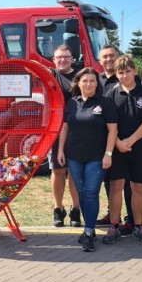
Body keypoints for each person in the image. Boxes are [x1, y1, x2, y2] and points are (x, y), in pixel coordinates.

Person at [57, 67, 117, 252]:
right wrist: (60, 150)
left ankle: (89, 231)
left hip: (96, 157)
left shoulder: (105, 103)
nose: (88, 84)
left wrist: (108, 154)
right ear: (78, 83)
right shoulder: (72, 103)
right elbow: (65, 128)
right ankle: (87, 228)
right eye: (85, 81)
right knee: (81, 192)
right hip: (74, 155)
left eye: (92, 81)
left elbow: (112, 130)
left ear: (96, 84)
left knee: (91, 193)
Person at [104, 56, 142, 245]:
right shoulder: (110, 94)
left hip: (140, 147)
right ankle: (114, 226)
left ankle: (139, 226)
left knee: (137, 187)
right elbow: (108, 124)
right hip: (117, 148)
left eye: (128, 71)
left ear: (135, 71)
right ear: (116, 74)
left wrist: (131, 140)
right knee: (116, 186)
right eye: (121, 72)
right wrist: (118, 143)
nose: (124, 75)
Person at [97, 45, 139, 235]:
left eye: (112, 55)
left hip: (127, 141)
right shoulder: (95, 79)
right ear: (100, 60)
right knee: (110, 180)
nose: (108, 59)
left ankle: (131, 219)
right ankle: (112, 215)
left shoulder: (127, 77)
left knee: (128, 183)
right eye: (105, 56)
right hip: (105, 139)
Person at [49, 45, 82, 227]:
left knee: (75, 172)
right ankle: (58, 208)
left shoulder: (79, 77)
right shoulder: (49, 75)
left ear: (72, 59)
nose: (63, 60)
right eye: (59, 57)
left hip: (77, 131)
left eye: (66, 57)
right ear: (53, 59)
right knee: (58, 170)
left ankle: (75, 210)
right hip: (55, 130)